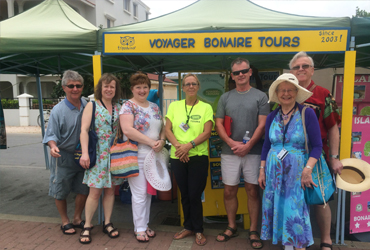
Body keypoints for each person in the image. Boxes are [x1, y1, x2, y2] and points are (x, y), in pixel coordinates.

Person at [258, 73, 322, 250]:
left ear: (296, 92)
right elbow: (266, 145)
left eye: (290, 90)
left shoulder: (307, 113)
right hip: (273, 174)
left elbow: (317, 146)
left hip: (297, 174)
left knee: (295, 211)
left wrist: (308, 169)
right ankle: (286, 245)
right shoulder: (272, 116)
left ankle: (298, 246)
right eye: (282, 90)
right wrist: (262, 170)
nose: (286, 94)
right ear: (277, 93)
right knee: (278, 206)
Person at [290, 51, 342, 250]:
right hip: (292, 155)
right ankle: (297, 239)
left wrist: (334, 157)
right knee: (294, 198)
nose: (301, 70)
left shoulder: (323, 94)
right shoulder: (286, 93)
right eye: (297, 67)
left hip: (317, 154)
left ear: (312, 70)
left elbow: (333, 128)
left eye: (305, 66)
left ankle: (326, 239)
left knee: (321, 198)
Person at [215, 57, 269, 249]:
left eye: (244, 71)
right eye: (237, 72)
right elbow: (219, 124)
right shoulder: (225, 97)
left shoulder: (261, 97)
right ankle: (231, 226)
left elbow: (263, 125)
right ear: (232, 75)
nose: (240, 75)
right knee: (229, 190)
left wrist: (247, 146)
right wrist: (230, 143)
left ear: (250, 72)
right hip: (229, 152)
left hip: (253, 152)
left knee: (252, 191)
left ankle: (254, 229)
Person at [165, 73, 214, 246]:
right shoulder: (175, 106)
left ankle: (199, 229)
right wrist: (180, 147)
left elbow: (207, 132)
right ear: (183, 87)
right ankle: (188, 227)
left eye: (194, 83)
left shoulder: (206, 107)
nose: (191, 86)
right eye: (187, 84)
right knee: (184, 194)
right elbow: (167, 130)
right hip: (178, 156)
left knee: (194, 194)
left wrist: (189, 146)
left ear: (198, 86)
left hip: (198, 156)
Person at [119, 71, 165, 243]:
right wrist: (151, 142)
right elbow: (128, 130)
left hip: (154, 154)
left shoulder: (154, 106)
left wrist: (161, 140)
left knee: (147, 193)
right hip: (136, 155)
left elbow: (162, 126)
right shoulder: (128, 106)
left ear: (149, 89)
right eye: (138, 87)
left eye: (145, 87)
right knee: (138, 193)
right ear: (132, 89)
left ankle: (144, 225)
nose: (142, 90)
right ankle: (139, 228)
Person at [78, 73, 123, 244]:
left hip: (115, 154)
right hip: (97, 154)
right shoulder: (92, 106)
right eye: (106, 86)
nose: (109, 89)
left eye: (112, 86)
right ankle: (87, 225)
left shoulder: (119, 107)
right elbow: (84, 130)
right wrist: (85, 153)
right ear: (100, 88)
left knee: (111, 190)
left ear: (116, 89)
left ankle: (108, 222)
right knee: (95, 191)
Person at [42, 70, 88, 235]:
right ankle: (65, 221)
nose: (75, 89)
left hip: (83, 156)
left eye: (78, 85)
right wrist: (53, 146)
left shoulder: (87, 105)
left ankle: (77, 218)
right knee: (60, 190)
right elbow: (51, 135)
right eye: (71, 86)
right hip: (63, 156)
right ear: (64, 87)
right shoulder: (57, 110)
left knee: (83, 189)